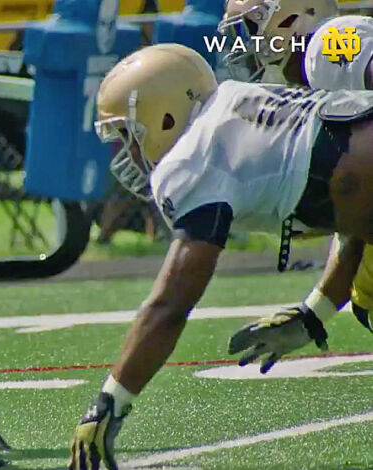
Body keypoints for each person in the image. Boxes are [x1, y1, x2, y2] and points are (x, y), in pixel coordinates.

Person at [68, 43, 373, 470]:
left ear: (164, 118)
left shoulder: (192, 159)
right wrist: (315, 313)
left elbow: (171, 305)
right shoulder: (237, 101)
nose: (126, 153)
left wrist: (110, 401)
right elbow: (356, 206)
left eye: (127, 135)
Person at [218, 3, 373, 369]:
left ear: (290, 16)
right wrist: (314, 313)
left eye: (252, 29)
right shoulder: (319, 78)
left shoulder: (327, 43)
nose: (248, 44)